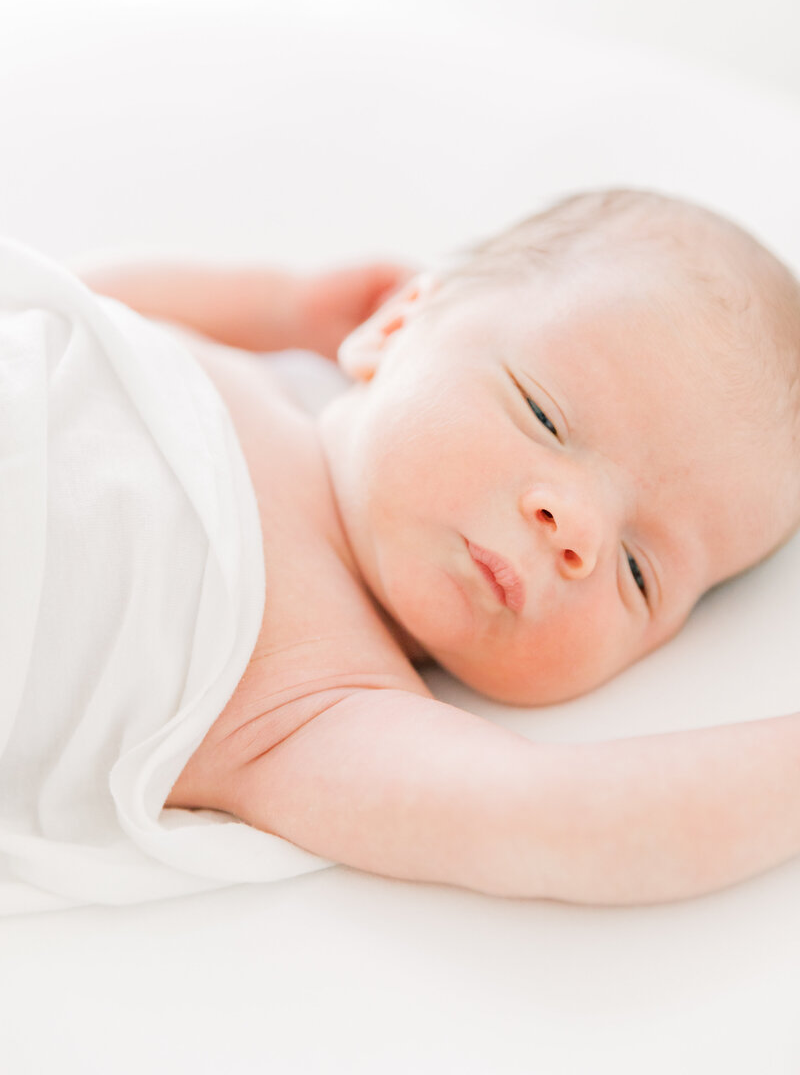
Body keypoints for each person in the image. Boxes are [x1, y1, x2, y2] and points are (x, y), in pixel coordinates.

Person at [27, 189, 800, 907]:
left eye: (638, 571)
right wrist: (276, 303)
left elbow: (568, 820)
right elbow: (64, 297)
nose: (580, 530)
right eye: (545, 416)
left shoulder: (314, 711)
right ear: (396, 325)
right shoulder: (218, 368)